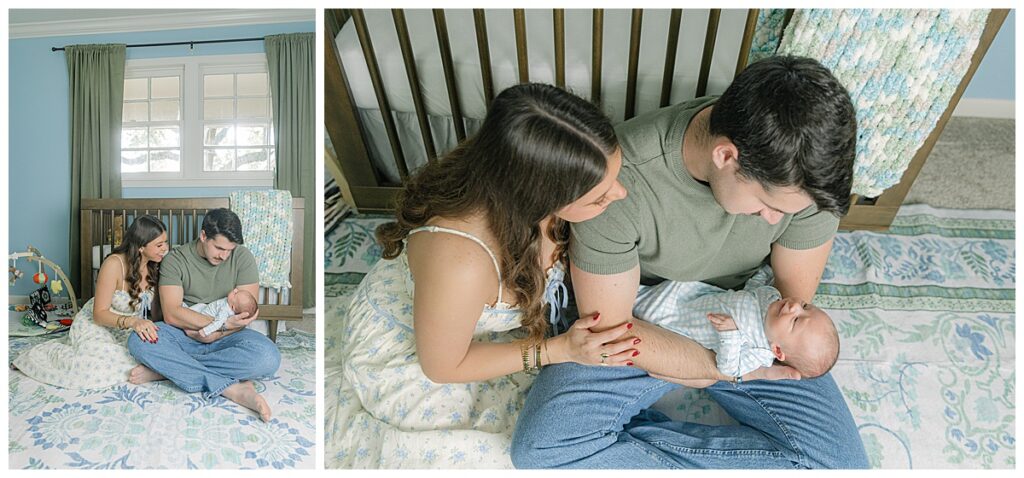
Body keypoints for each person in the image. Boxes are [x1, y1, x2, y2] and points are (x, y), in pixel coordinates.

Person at [512, 56, 869, 468]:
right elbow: (611, 331)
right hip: (645, 322)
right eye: (767, 205)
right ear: (726, 156)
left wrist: (740, 356)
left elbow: (791, 303)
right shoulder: (616, 182)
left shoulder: (809, 177)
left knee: (841, 467)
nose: (775, 221)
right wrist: (720, 368)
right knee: (541, 451)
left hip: (753, 326)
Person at [328, 83, 633, 468]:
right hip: (430, 357)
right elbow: (441, 367)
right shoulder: (462, 261)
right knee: (508, 452)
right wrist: (558, 350)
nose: (621, 194)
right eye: (599, 197)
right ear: (539, 196)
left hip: (461, 313)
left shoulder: (520, 171)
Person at [127, 208, 280, 422]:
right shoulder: (175, 259)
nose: (224, 256)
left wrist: (218, 332)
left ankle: (166, 370)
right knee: (137, 341)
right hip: (184, 335)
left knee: (269, 357)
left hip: (229, 336)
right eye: (219, 248)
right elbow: (172, 314)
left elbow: (245, 314)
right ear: (203, 236)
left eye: (229, 250)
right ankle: (232, 389)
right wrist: (216, 325)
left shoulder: (243, 257)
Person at [12, 216, 167, 389]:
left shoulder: (156, 265)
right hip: (100, 321)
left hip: (128, 327)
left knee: (147, 351)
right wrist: (132, 322)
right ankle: (37, 358)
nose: (165, 249)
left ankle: (153, 369)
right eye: (159, 245)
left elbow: (156, 310)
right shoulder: (114, 264)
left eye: (166, 243)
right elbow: (99, 314)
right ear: (141, 246)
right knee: (90, 363)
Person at [633, 265, 840, 381]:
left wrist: (731, 334)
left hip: (672, 320)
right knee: (640, 288)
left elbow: (729, 368)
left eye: (795, 320)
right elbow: (750, 292)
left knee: (639, 304)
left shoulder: (757, 352)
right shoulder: (772, 300)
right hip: (688, 294)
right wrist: (765, 272)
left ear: (777, 350)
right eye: (805, 306)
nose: (794, 307)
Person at [191, 288, 259, 338]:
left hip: (204, 315)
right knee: (199, 306)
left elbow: (218, 323)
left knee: (194, 311)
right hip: (205, 307)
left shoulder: (225, 310)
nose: (235, 290)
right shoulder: (229, 302)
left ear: (233, 307)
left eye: (235, 294)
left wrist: (205, 331)